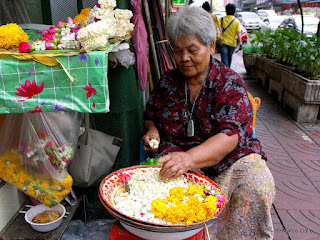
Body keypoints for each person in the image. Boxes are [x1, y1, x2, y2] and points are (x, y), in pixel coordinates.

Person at [142, 6, 275, 239]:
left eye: (193, 50)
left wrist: (190, 158)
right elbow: (151, 114)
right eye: (178, 51)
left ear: (211, 46)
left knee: (256, 182)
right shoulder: (167, 82)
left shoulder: (229, 82)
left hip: (228, 160)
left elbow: (229, 136)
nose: (184, 58)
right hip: (176, 155)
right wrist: (152, 131)